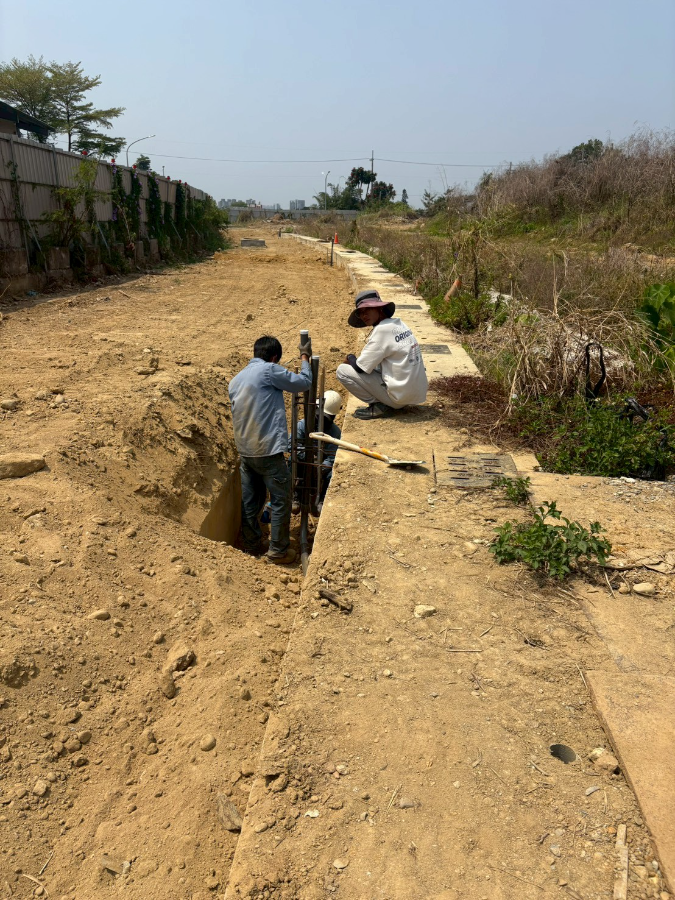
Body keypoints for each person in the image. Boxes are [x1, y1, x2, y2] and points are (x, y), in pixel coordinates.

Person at [228, 334, 312, 564]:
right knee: (280, 500)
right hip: (267, 450)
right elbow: (304, 383)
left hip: (246, 451)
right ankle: (278, 550)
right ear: (274, 357)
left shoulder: (235, 380)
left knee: (250, 501)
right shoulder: (269, 370)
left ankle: (252, 545)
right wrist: (305, 356)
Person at [336, 289, 428, 419]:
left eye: (367, 309)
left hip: (399, 399)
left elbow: (360, 368)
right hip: (415, 394)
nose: (364, 315)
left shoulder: (381, 331)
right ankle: (387, 401)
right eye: (360, 313)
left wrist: (350, 357)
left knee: (342, 371)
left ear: (379, 308)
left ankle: (380, 406)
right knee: (377, 364)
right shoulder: (399, 324)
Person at [292, 389, 343, 510]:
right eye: (320, 417)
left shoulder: (334, 432)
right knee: (290, 462)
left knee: (333, 472)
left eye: (326, 418)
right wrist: (307, 459)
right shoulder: (302, 425)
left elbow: (332, 457)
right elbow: (291, 445)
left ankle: (323, 498)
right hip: (303, 462)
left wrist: (320, 468)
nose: (322, 421)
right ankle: (295, 495)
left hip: (321, 469)